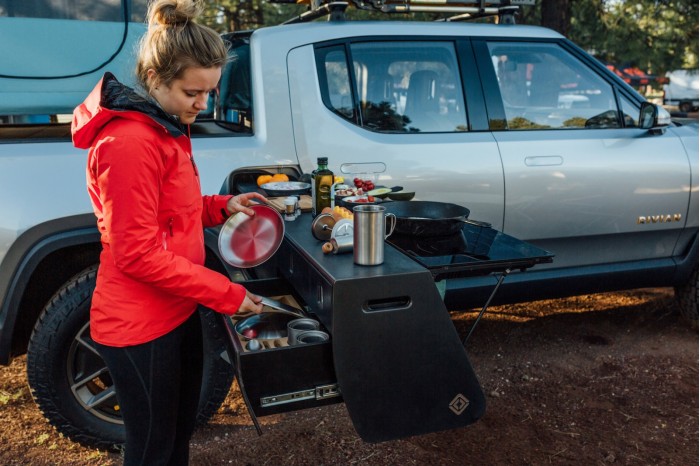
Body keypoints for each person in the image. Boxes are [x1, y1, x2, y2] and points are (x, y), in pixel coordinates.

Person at [71, 0, 266, 464]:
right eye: (192, 92)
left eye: (210, 92)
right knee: (152, 450)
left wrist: (222, 206)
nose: (202, 104)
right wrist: (225, 293)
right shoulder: (130, 144)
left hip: (175, 310)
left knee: (176, 437)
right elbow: (135, 253)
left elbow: (171, 213)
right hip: (138, 326)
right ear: (156, 80)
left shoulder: (165, 128)